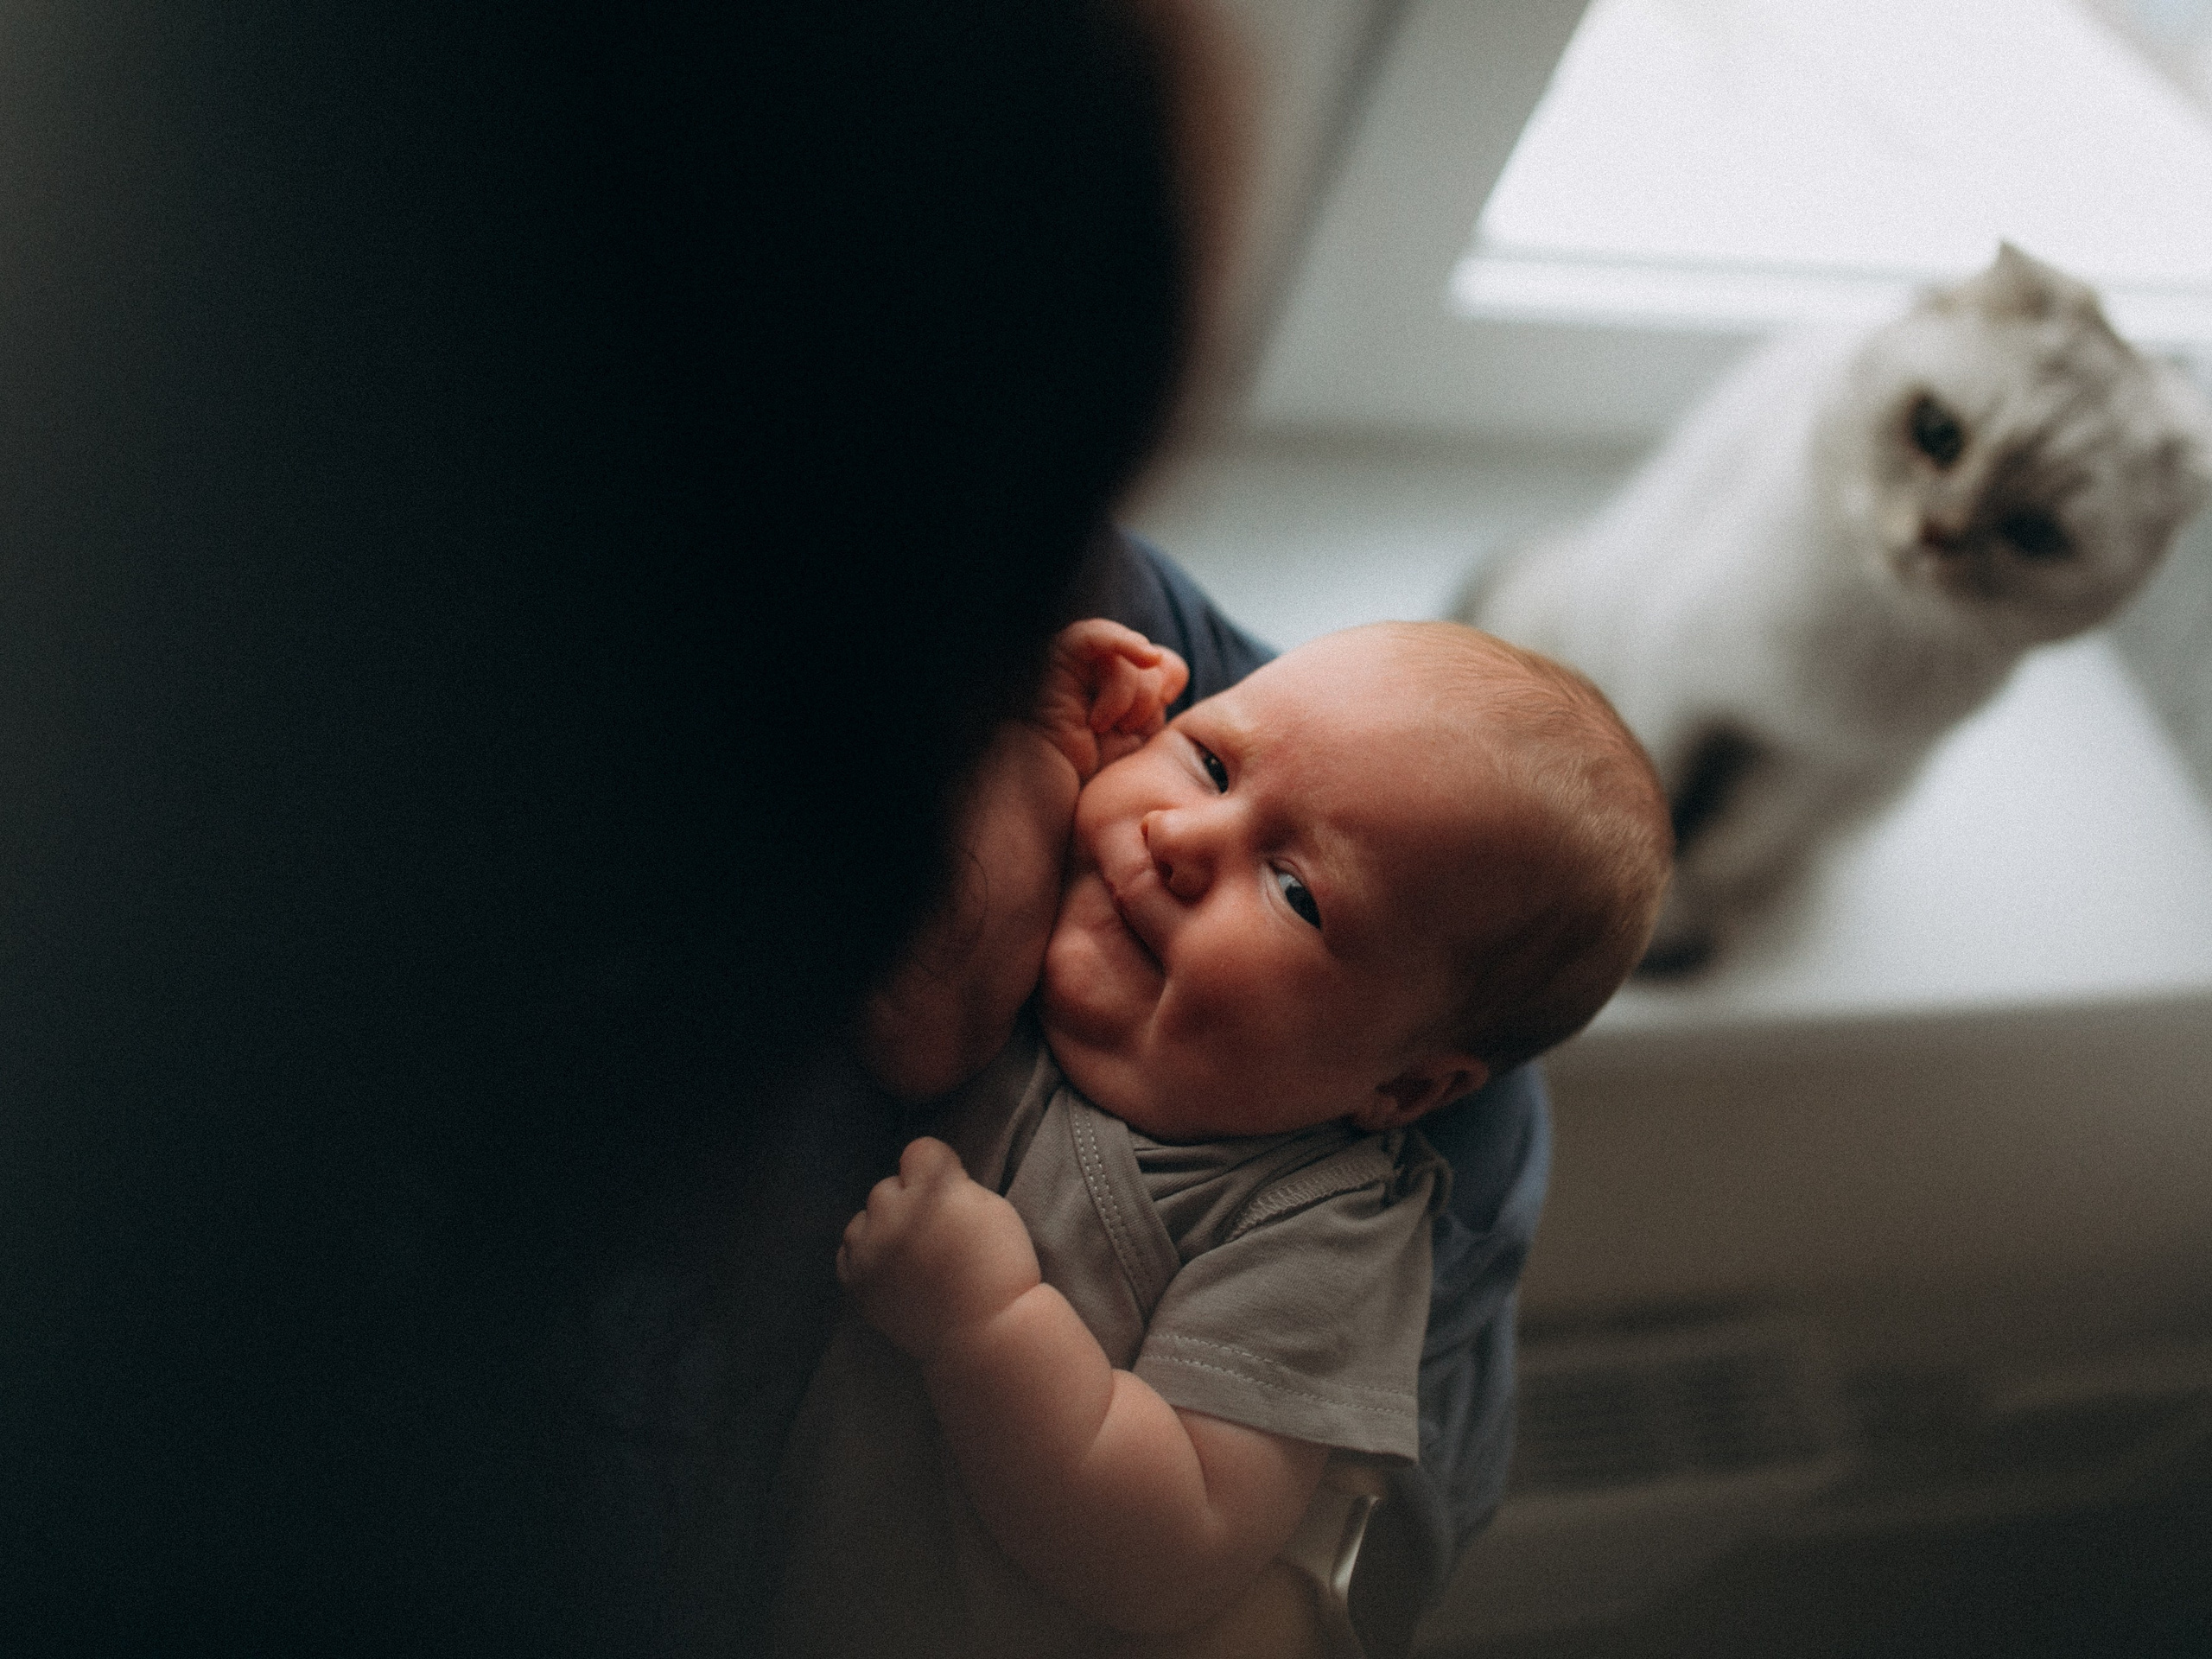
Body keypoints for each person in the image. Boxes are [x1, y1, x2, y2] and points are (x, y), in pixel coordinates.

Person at [772, 613, 1670, 1655]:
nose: (1182, 839)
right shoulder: (1043, 945)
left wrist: (987, 1321)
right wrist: (1043, 744)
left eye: (1294, 892)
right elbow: (919, 1017)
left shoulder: (1319, 1231)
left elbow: (1173, 1551)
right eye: (1208, 763)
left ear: (1407, 1084)